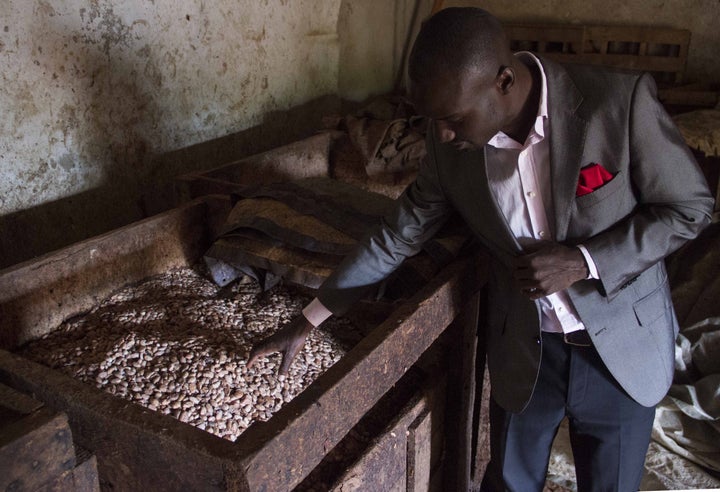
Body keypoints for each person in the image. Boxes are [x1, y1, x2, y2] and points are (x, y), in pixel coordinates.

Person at [248, 7, 714, 491]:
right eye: (436, 122)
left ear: (504, 82)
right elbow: (398, 233)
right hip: (527, 356)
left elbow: (690, 209)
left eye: (452, 119)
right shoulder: (449, 146)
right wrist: (309, 319)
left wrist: (583, 260)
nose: (444, 135)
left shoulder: (617, 102)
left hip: (621, 352)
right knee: (510, 483)